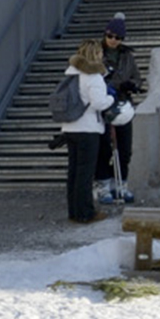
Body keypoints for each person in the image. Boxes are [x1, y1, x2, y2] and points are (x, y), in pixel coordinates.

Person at [57, 40, 113, 219]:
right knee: (85, 173)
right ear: (96, 55)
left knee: (73, 172)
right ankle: (85, 213)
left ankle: (73, 211)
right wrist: (111, 99)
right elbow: (99, 103)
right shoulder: (93, 77)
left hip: (70, 127)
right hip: (87, 129)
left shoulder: (72, 74)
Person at [94, 15, 142, 205]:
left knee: (124, 147)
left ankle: (120, 183)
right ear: (105, 35)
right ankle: (103, 184)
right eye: (111, 36)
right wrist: (112, 84)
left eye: (118, 37)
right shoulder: (97, 53)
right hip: (103, 104)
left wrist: (134, 85)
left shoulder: (127, 56)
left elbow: (137, 76)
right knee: (104, 147)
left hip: (123, 105)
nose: (114, 40)